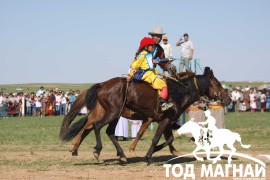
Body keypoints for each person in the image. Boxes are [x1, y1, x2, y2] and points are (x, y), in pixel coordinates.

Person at [127, 37, 173, 111]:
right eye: (151, 46)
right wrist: (130, 75)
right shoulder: (142, 55)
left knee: (159, 85)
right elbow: (134, 66)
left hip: (150, 74)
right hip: (147, 76)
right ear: (146, 47)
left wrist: (161, 73)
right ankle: (163, 104)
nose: (153, 47)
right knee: (163, 85)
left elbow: (151, 68)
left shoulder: (149, 55)